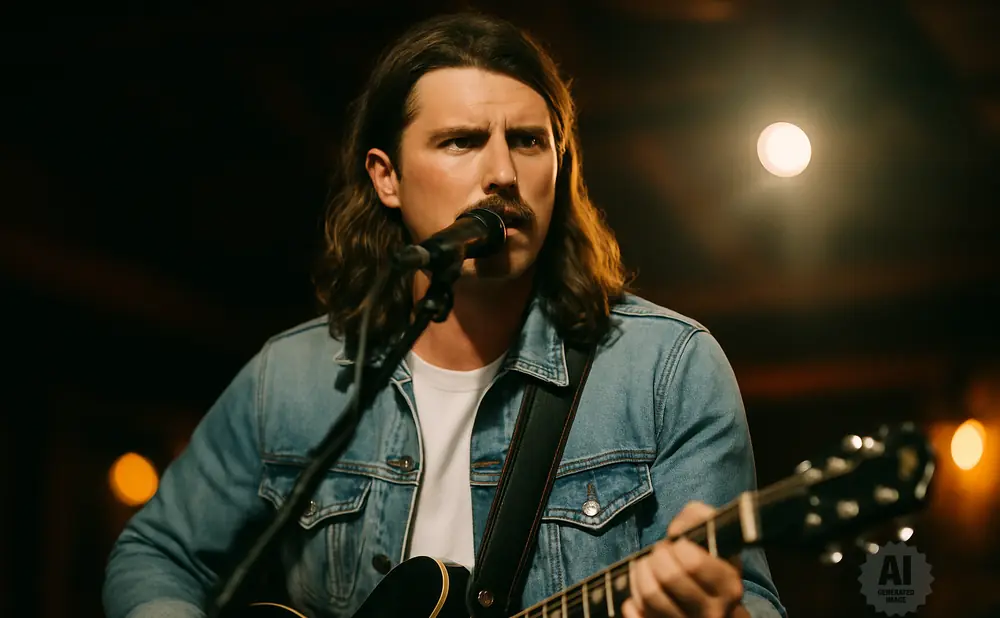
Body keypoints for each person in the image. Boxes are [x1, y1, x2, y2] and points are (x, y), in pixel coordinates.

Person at [103, 11, 786, 618]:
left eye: (528, 141)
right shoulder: (292, 377)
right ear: (386, 176)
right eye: (460, 141)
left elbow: (746, 597)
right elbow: (155, 553)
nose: (503, 175)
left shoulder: (665, 371)